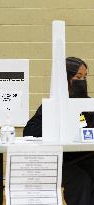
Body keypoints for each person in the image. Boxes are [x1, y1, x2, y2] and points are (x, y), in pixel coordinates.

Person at [23, 57, 94, 205]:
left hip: (84, 157)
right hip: (60, 161)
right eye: (78, 77)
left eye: (85, 77)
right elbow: (29, 131)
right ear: (65, 79)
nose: (82, 81)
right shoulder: (53, 105)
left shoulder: (87, 104)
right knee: (81, 180)